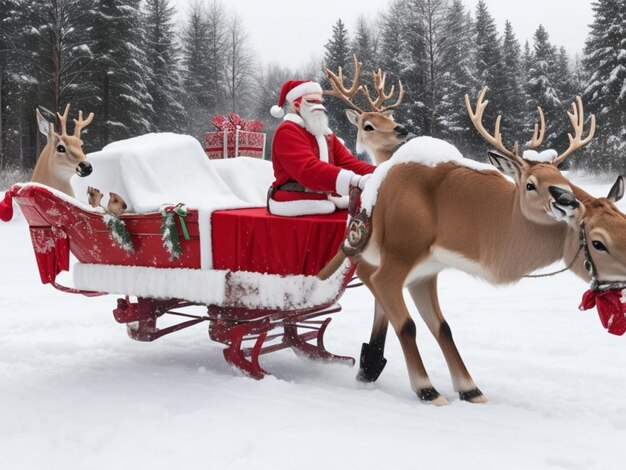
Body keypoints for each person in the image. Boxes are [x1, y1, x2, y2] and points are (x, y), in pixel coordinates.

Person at [267, 80, 376, 217]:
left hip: (323, 198)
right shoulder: (287, 131)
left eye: (320, 102)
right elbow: (308, 169)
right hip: (294, 199)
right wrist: (353, 181)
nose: (319, 107)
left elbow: (348, 162)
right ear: (296, 105)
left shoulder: (325, 133)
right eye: (312, 102)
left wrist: (383, 172)